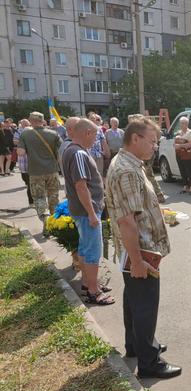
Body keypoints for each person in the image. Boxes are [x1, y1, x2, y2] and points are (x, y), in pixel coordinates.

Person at [106, 117, 181, 379]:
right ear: (135, 139)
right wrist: (138, 261)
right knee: (145, 305)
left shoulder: (129, 163)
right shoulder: (126, 170)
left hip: (137, 251)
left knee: (134, 302)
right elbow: (127, 222)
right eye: (152, 141)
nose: (155, 146)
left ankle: (136, 347)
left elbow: (135, 210)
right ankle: (150, 363)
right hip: (141, 253)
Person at [62, 118, 115, 305]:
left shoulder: (73, 150)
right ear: (87, 133)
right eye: (95, 135)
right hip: (86, 212)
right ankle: (93, 291)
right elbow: (81, 186)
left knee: (85, 248)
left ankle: (88, 283)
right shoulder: (78, 154)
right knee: (92, 251)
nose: (96, 139)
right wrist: (92, 213)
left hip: (82, 211)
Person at [17, 111, 62, 227]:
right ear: (42, 121)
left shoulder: (25, 134)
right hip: (52, 170)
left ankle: (46, 221)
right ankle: (55, 223)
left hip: (35, 171)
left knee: (39, 197)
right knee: (54, 196)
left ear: (31, 121)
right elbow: (62, 150)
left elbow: (20, 153)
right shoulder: (53, 134)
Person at [13, 119, 33, 206]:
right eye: (24, 124)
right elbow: (14, 141)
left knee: (31, 183)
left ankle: (32, 201)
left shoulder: (33, 131)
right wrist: (24, 142)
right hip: (23, 160)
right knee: (26, 179)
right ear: (21, 124)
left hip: (32, 161)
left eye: (27, 124)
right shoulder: (18, 131)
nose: (26, 125)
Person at [88, 112, 110, 183]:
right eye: (91, 118)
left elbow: (103, 141)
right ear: (88, 119)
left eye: (95, 119)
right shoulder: (85, 128)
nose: (93, 120)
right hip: (89, 154)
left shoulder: (99, 129)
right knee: (90, 172)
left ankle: (100, 188)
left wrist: (106, 151)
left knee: (99, 172)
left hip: (99, 154)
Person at [174, 116, 191, 194]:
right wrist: (176, 145)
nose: (182, 125)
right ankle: (185, 186)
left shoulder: (190, 132)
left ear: (187, 124)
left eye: (183, 123)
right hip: (179, 153)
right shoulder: (178, 132)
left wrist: (180, 145)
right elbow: (175, 143)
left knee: (189, 170)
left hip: (187, 154)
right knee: (182, 170)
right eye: (181, 123)